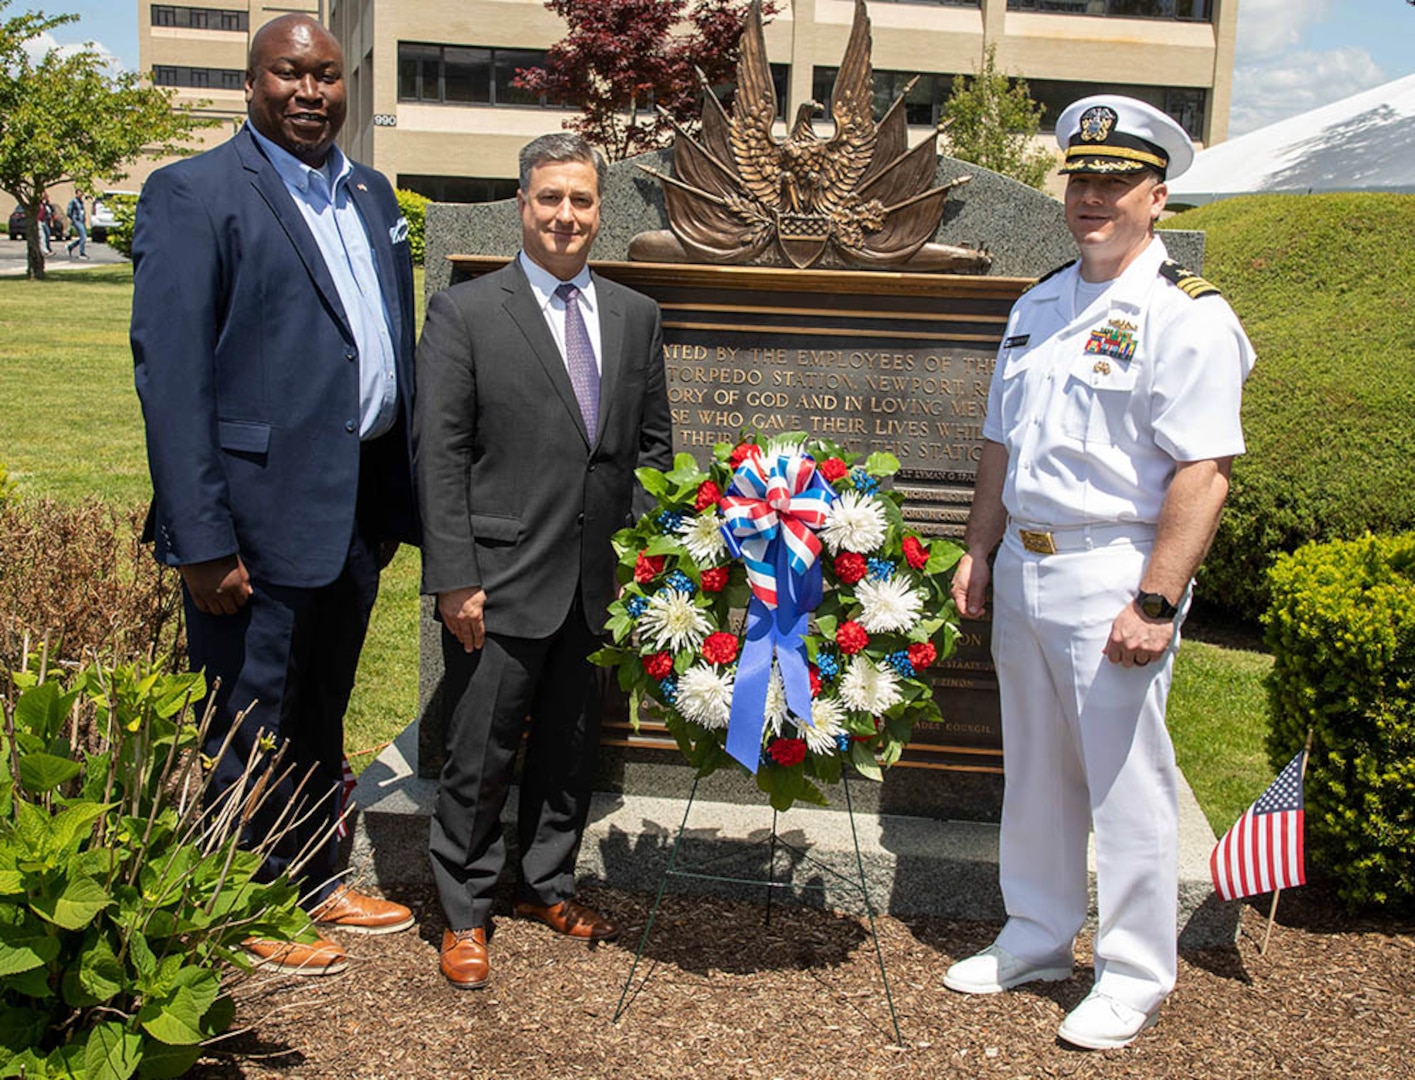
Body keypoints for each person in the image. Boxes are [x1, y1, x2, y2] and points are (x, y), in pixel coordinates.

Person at [943, 96, 1255, 1049]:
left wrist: (1155, 600)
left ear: (1156, 197)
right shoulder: (1037, 303)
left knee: (1125, 784)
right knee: (1034, 770)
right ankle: (1037, 933)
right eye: (1081, 180)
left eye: (1115, 183)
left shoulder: (1183, 315)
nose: (1092, 198)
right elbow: (1002, 440)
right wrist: (980, 544)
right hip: (1028, 565)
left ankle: (1130, 971)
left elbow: (1203, 471)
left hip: (1114, 569)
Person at [131, 13, 419, 977]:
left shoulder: (372, 197)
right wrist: (202, 541)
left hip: (350, 519)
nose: (310, 91)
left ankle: (314, 873)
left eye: (327, 76)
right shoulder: (193, 193)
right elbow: (170, 381)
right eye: (290, 73)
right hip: (248, 529)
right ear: (251, 83)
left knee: (320, 712)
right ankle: (228, 899)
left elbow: (380, 352)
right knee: (240, 722)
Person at [416, 132, 672, 990]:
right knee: (479, 752)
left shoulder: (635, 317)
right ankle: (463, 911)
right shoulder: (466, 312)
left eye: (582, 200)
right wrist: (454, 575)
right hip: (498, 579)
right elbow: (440, 453)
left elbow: (651, 450)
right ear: (522, 205)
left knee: (569, 750)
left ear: (601, 210)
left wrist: (641, 557)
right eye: (550, 198)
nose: (567, 215)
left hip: (595, 583)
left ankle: (544, 882)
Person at [66, 190, 88, 259]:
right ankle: (81, 253)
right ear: (76, 194)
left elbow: (82, 211)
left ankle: (70, 247)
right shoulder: (73, 201)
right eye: (79, 193)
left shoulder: (81, 202)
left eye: (81, 193)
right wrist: (73, 219)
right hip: (77, 221)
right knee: (83, 237)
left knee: (83, 237)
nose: (80, 194)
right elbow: (69, 212)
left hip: (81, 221)